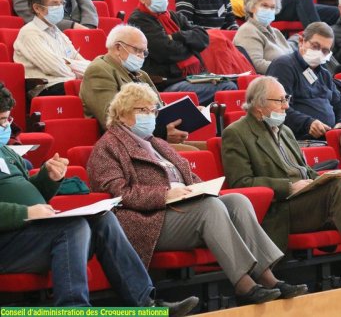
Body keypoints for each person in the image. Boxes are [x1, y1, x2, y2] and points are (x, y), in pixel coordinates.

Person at [88, 83, 307, 304]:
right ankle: (244, 285)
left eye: (153, 110)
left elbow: (187, 176)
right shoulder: (108, 147)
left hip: (182, 207)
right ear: (122, 114)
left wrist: (203, 189)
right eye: (142, 110)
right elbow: (118, 194)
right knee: (210, 208)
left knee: (237, 201)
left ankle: (268, 278)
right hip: (149, 220)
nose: (150, 116)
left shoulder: (156, 143)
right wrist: (165, 194)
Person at [0, 83, 199, 314]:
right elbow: (24, 206)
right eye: (2, 120)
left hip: (32, 234)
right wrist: (26, 212)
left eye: (8, 120)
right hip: (9, 242)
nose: (7, 126)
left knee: (103, 219)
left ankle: (146, 304)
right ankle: (75, 310)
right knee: (72, 228)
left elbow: (29, 193)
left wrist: (48, 179)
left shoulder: (7, 153)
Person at [222, 76, 341, 281]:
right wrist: (289, 187)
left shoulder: (285, 130)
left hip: (307, 200)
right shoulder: (236, 133)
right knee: (336, 189)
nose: (286, 106)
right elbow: (241, 183)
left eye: (286, 99)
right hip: (280, 207)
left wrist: (321, 179)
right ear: (259, 105)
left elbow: (304, 169)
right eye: (280, 100)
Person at [128, 0, 237, 105]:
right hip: (167, 84)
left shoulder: (173, 16)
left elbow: (203, 37)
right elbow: (167, 52)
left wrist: (177, 36)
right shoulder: (138, 20)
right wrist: (191, 46)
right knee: (228, 88)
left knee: (234, 83)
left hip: (192, 77)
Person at [80, 25, 192, 148]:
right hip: (124, 146)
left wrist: (183, 116)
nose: (142, 56)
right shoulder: (99, 70)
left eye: (144, 52)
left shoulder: (141, 74)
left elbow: (158, 107)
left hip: (151, 140)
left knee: (205, 147)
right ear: (118, 47)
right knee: (192, 151)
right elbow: (111, 119)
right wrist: (162, 132)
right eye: (137, 50)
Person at [266, 22, 341, 139]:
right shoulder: (283, 65)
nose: (319, 52)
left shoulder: (324, 74)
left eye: (325, 51)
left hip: (328, 137)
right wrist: (308, 123)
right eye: (315, 46)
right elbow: (277, 107)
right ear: (301, 41)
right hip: (297, 138)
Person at [13, 0, 87, 96]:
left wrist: (70, 64)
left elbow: (86, 65)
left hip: (68, 82)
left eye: (62, 3)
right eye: (54, 3)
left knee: (103, 81)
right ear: (37, 8)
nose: (60, 7)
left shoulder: (58, 32)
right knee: (97, 86)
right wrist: (77, 72)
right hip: (48, 88)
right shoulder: (29, 32)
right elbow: (56, 67)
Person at [233, 0, 292, 74]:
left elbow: (291, 57)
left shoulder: (276, 32)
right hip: (271, 78)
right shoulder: (248, 30)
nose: (269, 10)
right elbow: (257, 65)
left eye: (272, 7)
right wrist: (290, 69)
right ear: (252, 7)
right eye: (264, 5)